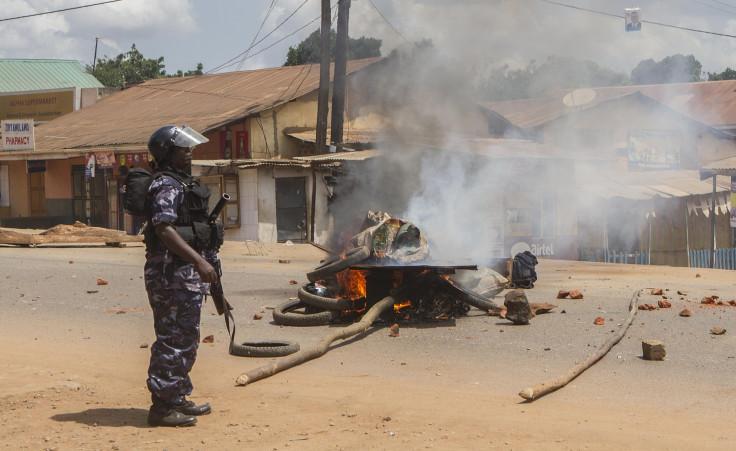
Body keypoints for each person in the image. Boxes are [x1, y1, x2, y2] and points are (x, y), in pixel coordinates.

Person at [143, 125, 223, 427]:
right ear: (167, 153)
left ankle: (177, 397)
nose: (189, 152)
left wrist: (212, 278)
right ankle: (161, 408)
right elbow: (164, 229)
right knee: (172, 340)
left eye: (189, 148)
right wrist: (199, 263)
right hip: (169, 274)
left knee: (187, 338)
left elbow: (201, 236)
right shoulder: (167, 185)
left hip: (186, 275)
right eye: (182, 149)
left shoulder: (184, 183)